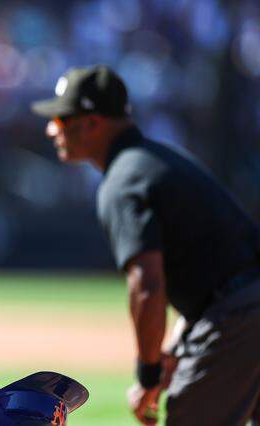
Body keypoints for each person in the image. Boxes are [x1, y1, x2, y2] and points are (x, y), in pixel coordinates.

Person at [32, 65, 260, 426]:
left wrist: (149, 375)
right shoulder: (160, 158)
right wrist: (173, 350)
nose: (50, 130)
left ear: (92, 122)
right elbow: (221, 268)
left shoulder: (124, 181)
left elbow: (148, 286)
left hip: (238, 319)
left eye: (60, 121)